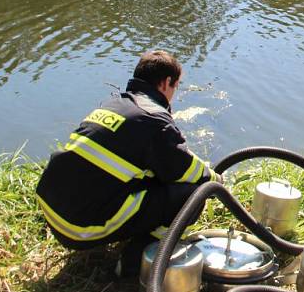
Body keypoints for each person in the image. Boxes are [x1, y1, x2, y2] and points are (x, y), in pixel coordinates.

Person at [35, 50, 220, 277]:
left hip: (54, 208)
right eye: (176, 86)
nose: (174, 93)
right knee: (192, 196)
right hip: (78, 227)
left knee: (151, 181)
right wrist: (214, 180)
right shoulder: (154, 119)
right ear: (166, 83)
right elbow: (186, 171)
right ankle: (134, 263)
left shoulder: (113, 104)